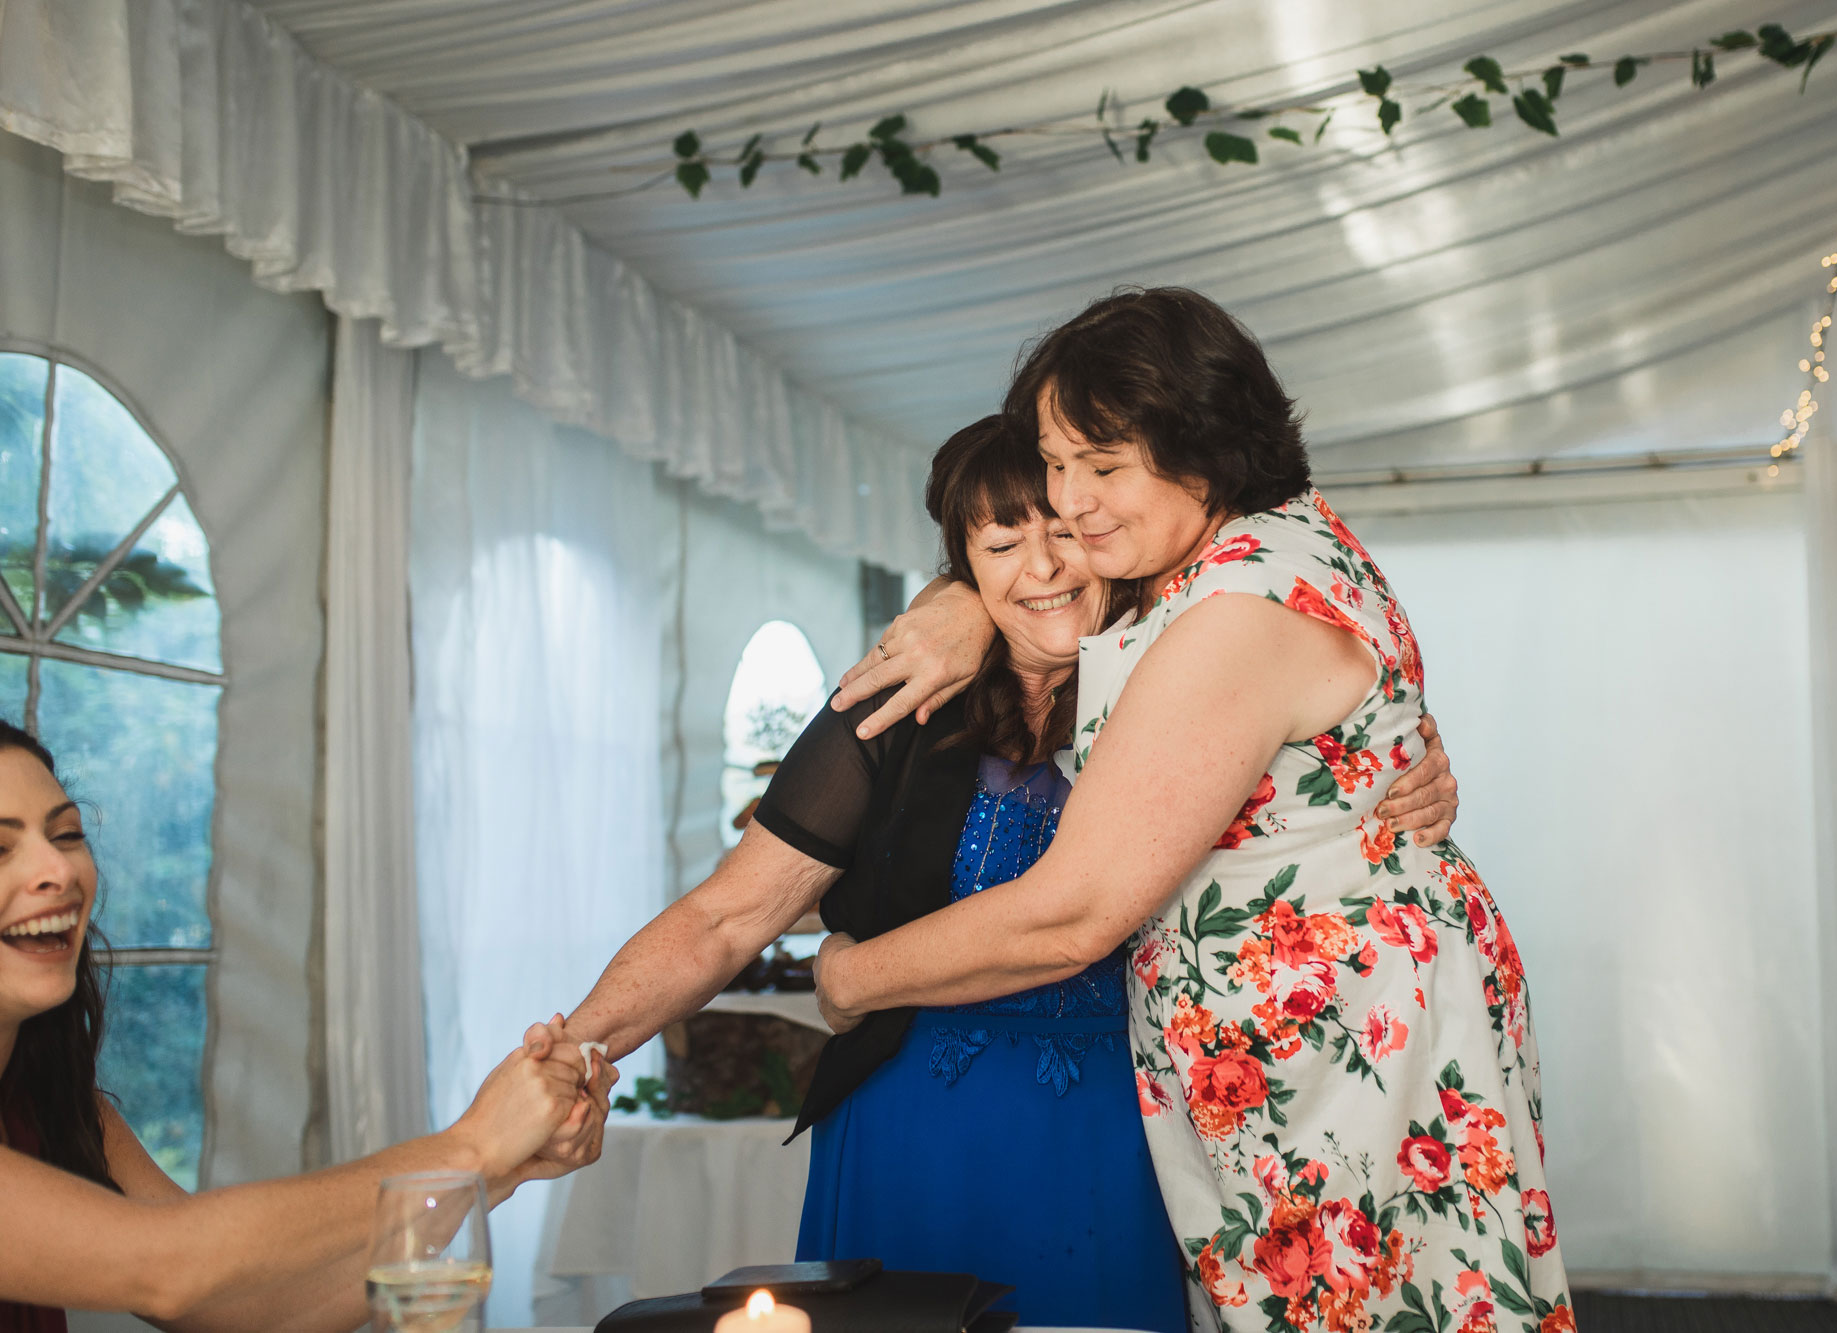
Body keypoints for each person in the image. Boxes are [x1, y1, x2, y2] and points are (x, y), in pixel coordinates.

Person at [528, 416, 1459, 1330]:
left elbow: (1331, 763)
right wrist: (573, 1052)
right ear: (965, 566)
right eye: (1003, 543)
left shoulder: (1196, 687)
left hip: (1120, 1133)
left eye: (1064, 533)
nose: (1043, 567)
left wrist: (1408, 771)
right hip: (908, 1130)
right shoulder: (896, 709)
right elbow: (727, 917)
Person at [812, 288, 1572, 1333]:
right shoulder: (1247, 552)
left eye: (1102, 466)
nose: (1069, 501)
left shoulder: (1233, 612)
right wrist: (956, 599)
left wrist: (852, 973)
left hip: (1338, 1056)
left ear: (1202, 451)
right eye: (1055, 460)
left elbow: (1072, 911)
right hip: (1332, 1029)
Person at [0, 719, 614, 1333]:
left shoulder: (58, 1107)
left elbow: (238, 1309)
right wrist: (470, 1146)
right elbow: (168, 1264)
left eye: (67, 834)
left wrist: (498, 1170)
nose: (55, 868)